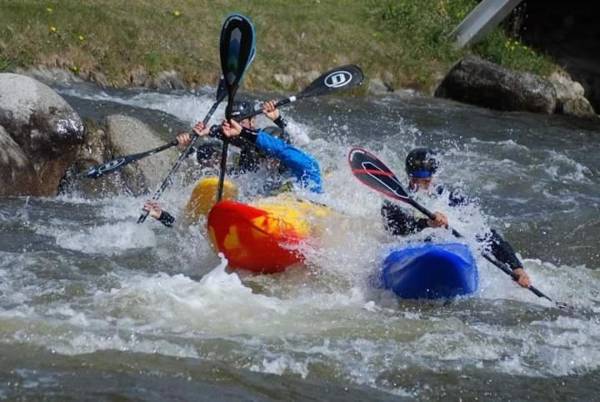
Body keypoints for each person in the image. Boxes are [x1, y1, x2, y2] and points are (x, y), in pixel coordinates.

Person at [143, 100, 322, 225]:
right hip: (261, 216)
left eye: (272, 156)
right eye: (264, 156)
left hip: (297, 214)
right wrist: (193, 143)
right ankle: (164, 217)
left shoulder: (306, 171)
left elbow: (291, 148)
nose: (268, 161)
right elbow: (194, 234)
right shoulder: (254, 175)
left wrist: (278, 119)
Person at [381, 147, 532, 288]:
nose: (419, 186)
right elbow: (395, 228)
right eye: (414, 180)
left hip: (449, 248)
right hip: (413, 249)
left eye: (426, 181)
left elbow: (486, 235)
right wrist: (427, 223)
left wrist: (516, 267)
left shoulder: (451, 200)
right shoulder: (396, 201)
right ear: (409, 177)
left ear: (434, 177)